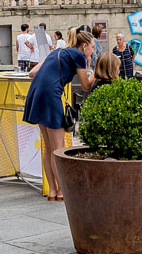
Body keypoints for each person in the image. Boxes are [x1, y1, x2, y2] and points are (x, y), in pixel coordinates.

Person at [22, 29, 96, 201]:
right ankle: (62, 192)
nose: (92, 51)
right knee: (58, 149)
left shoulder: (57, 51)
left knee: (49, 147)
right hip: (51, 96)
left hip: (36, 93)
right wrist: (96, 71)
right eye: (92, 48)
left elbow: (32, 73)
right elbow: (86, 85)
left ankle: (52, 191)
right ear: (84, 46)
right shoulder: (78, 56)